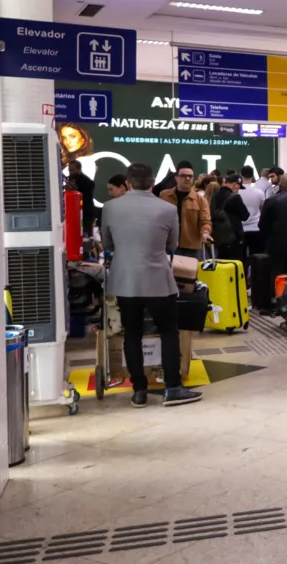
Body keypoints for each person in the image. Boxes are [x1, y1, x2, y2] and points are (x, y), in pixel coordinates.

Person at [102, 162, 203, 411]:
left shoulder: (110, 207)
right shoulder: (167, 209)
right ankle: (172, 387)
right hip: (159, 280)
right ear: (153, 181)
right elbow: (172, 245)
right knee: (169, 331)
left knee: (132, 333)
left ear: (127, 182)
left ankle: (139, 391)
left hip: (125, 280)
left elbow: (107, 242)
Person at [157, 162, 211, 258]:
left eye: (190, 176)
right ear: (176, 178)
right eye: (183, 176)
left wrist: (205, 232)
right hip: (166, 245)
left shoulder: (201, 200)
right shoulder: (164, 195)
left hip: (190, 247)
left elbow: (205, 220)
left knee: (189, 272)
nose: (187, 179)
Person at [259, 175, 287, 280]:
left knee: (276, 274)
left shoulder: (270, 201)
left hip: (276, 244)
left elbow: (263, 224)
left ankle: (277, 295)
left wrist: (267, 237)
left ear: (280, 185)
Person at [209, 175, 250, 262]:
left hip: (218, 237)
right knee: (235, 264)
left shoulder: (214, 196)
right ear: (235, 185)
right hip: (233, 237)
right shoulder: (235, 197)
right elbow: (245, 215)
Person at [238, 165, 266, 261]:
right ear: (253, 176)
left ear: (240, 175)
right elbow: (263, 209)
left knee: (240, 258)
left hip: (240, 229)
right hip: (255, 228)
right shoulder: (259, 192)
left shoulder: (236, 193)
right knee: (257, 258)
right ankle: (256, 275)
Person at [67, 160, 97, 236]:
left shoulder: (87, 182)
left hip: (85, 215)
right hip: (74, 214)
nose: (70, 172)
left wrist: (74, 190)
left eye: (72, 170)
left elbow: (86, 198)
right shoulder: (70, 179)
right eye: (69, 170)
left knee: (86, 236)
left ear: (79, 169)